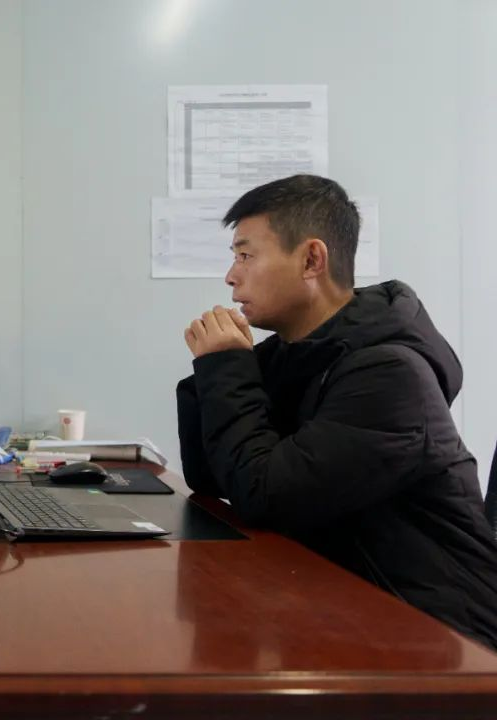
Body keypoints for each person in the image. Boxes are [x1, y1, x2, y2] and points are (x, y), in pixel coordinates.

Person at [177, 173, 497, 650]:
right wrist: (218, 368)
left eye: (246, 256)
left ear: (312, 260)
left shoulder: (390, 376)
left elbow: (262, 495)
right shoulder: (301, 354)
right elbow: (212, 476)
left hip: (441, 640)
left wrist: (225, 368)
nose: (231, 275)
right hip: (347, 609)